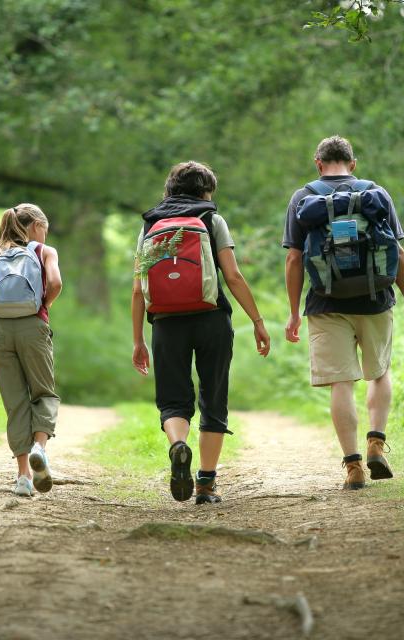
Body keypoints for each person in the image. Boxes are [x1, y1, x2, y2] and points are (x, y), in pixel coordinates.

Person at [283, 136, 404, 490]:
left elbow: (294, 258)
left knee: (341, 383)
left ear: (318, 163)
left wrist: (294, 312)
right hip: (375, 299)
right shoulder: (375, 193)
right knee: (379, 372)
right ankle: (376, 442)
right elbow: (398, 253)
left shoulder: (303, 198)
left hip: (325, 303)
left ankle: (354, 467)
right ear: (353, 163)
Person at [132, 161, 270, 504]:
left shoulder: (151, 224)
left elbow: (138, 288)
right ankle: (206, 484)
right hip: (211, 319)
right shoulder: (212, 220)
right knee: (214, 397)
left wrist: (138, 340)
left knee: (173, 400)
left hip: (165, 323)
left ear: (170, 188)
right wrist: (257, 320)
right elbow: (233, 276)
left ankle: (179, 445)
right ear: (206, 191)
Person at [0, 204, 62, 496]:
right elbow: (55, 282)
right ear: (35, 227)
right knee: (44, 393)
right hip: (33, 326)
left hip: (0, 331)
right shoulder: (44, 251)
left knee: (15, 402)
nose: (45, 234)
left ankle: (23, 478)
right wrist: (43, 304)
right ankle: (40, 449)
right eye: (44, 229)